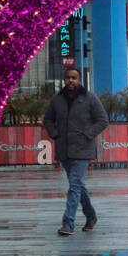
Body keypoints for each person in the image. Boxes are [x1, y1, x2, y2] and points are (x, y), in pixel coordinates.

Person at [42, 68, 109, 236]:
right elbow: (48, 119)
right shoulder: (57, 99)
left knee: (74, 185)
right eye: (68, 78)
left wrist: (87, 134)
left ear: (79, 80)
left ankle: (68, 222)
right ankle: (91, 216)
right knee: (78, 185)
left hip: (83, 149)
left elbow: (103, 120)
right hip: (64, 149)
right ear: (64, 80)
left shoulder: (89, 98)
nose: (70, 80)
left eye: (74, 78)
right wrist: (55, 134)